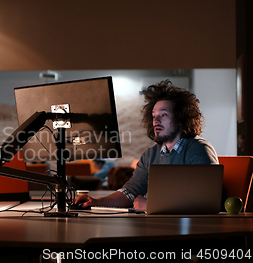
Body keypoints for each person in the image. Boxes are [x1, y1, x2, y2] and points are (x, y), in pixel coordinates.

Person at [74, 80, 218, 210]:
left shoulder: (199, 149)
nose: (156, 121)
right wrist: (96, 202)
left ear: (181, 118)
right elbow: (130, 192)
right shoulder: (150, 154)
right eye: (154, 116)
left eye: (163, 114)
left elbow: (204, 200)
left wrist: (150, 205)